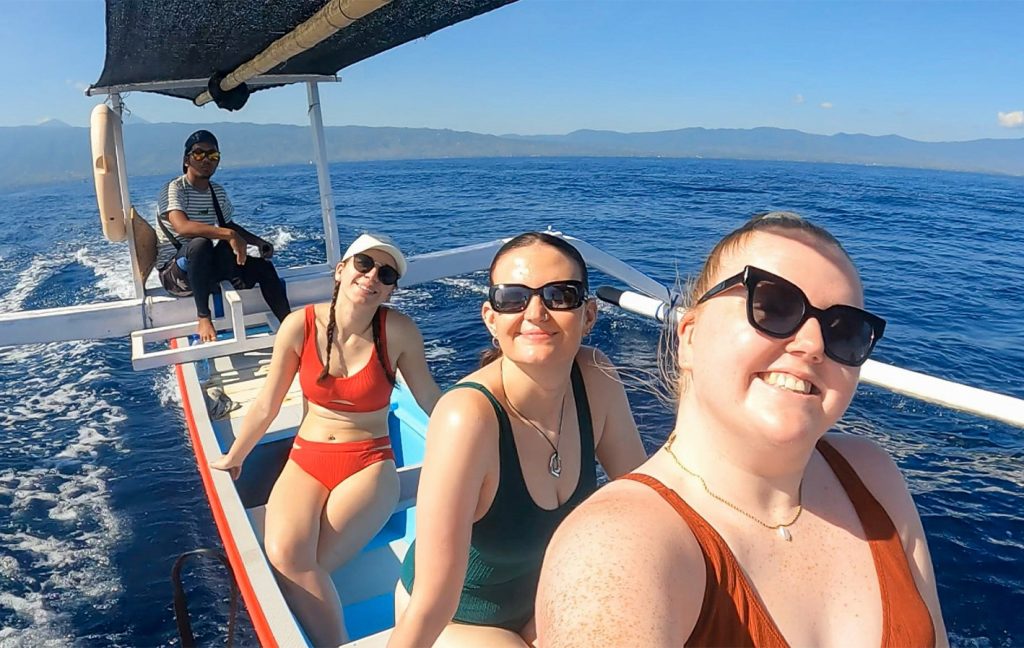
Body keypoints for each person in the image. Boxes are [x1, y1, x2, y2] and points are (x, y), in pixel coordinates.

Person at [535, 212, 948, 647]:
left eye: (844, 330)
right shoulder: (616, 547)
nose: (813, 346)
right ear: (690, 336)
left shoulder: (872, 474)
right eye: (773, 306)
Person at [389, 232, 647, 648]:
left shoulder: (595, 377)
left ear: (589, 315)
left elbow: (642, 500)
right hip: (459, 620)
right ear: (491, 318)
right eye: (513, 297)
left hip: (544, 596)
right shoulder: (467, 418)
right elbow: (433, 601)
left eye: (560, 295)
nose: (536, 312)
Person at [210, 233, 441, 646]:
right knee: (285, 558)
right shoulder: (300, 325)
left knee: (305, 566)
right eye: (364, 264)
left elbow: (430, 400)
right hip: (307, 459)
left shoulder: (399, 331)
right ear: (341, 270)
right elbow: (267, 403)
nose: (372, 277)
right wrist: (234, 455)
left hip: (369, 463)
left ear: (390, 289)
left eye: (385, 274)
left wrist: (479, 444)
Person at [156, 130, 290, 342]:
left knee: (263, 267)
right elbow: (181, 227)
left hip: (205, 269)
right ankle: (203, 317)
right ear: (186, 159)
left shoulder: (216, 192)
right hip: (176, 275)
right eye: (199, 154)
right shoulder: (174, 189)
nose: (206, 160)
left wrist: (258, 242)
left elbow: (229, 225)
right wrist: (228, 234)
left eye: (213, 155)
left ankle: (290, 327)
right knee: (201, 244)